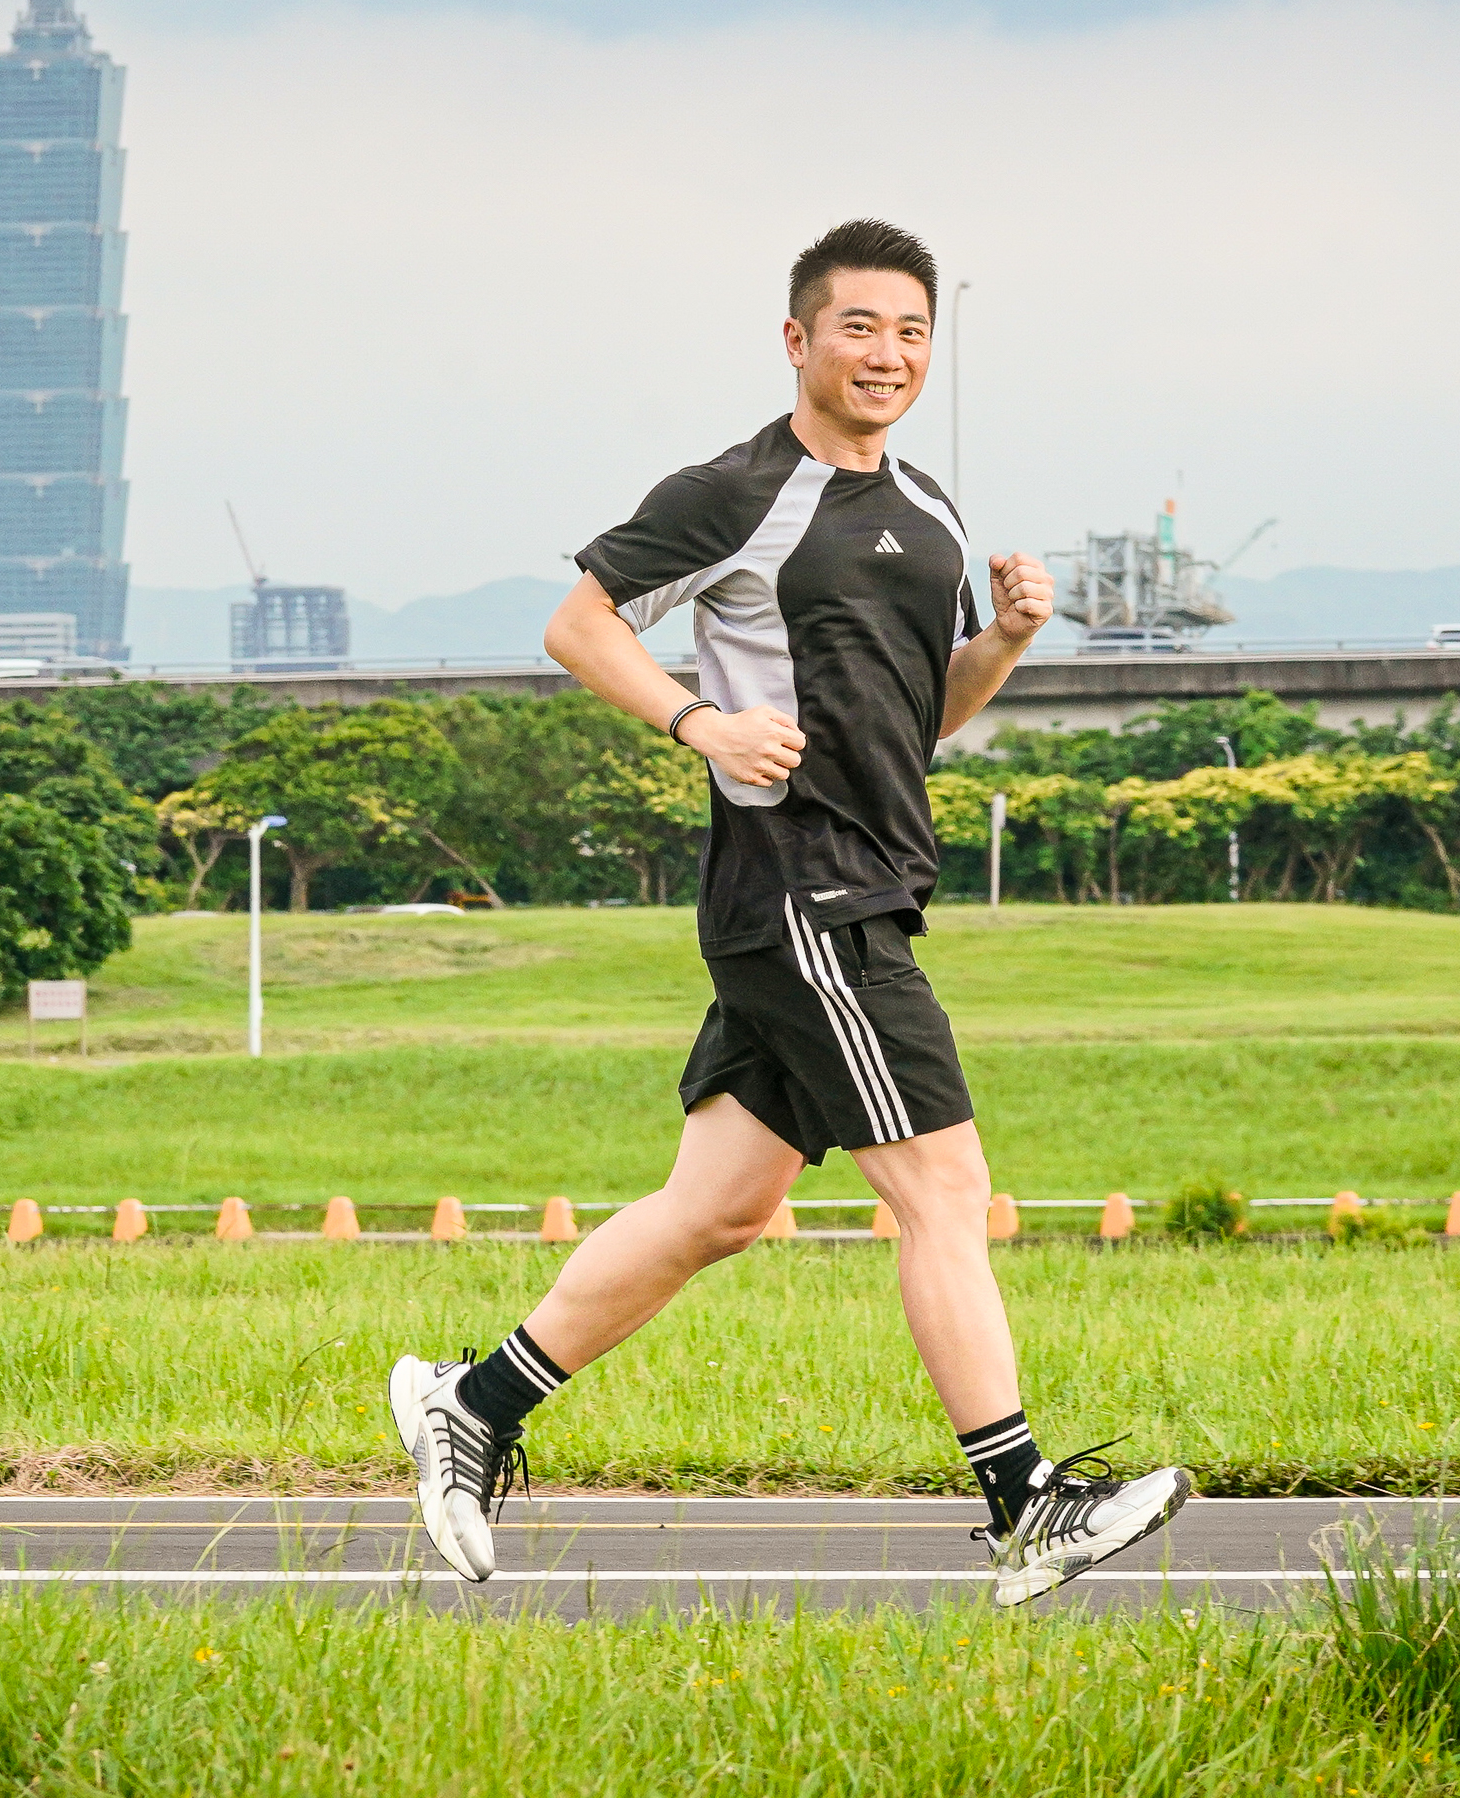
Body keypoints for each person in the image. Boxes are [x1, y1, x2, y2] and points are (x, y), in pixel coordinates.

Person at [388, 216, 1195, 1605]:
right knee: (944, 1188)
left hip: (869, 882)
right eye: (861, 327)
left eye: (912, 333)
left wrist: (1000, 643)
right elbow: (580, 625)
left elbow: (916, 718)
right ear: (799, 339)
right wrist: (698, 720)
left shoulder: (931, 513)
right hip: (799, 890)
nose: (888, 353)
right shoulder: (738, 492)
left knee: (717, 1206)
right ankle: (1025, 1503)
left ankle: (475, 1402)